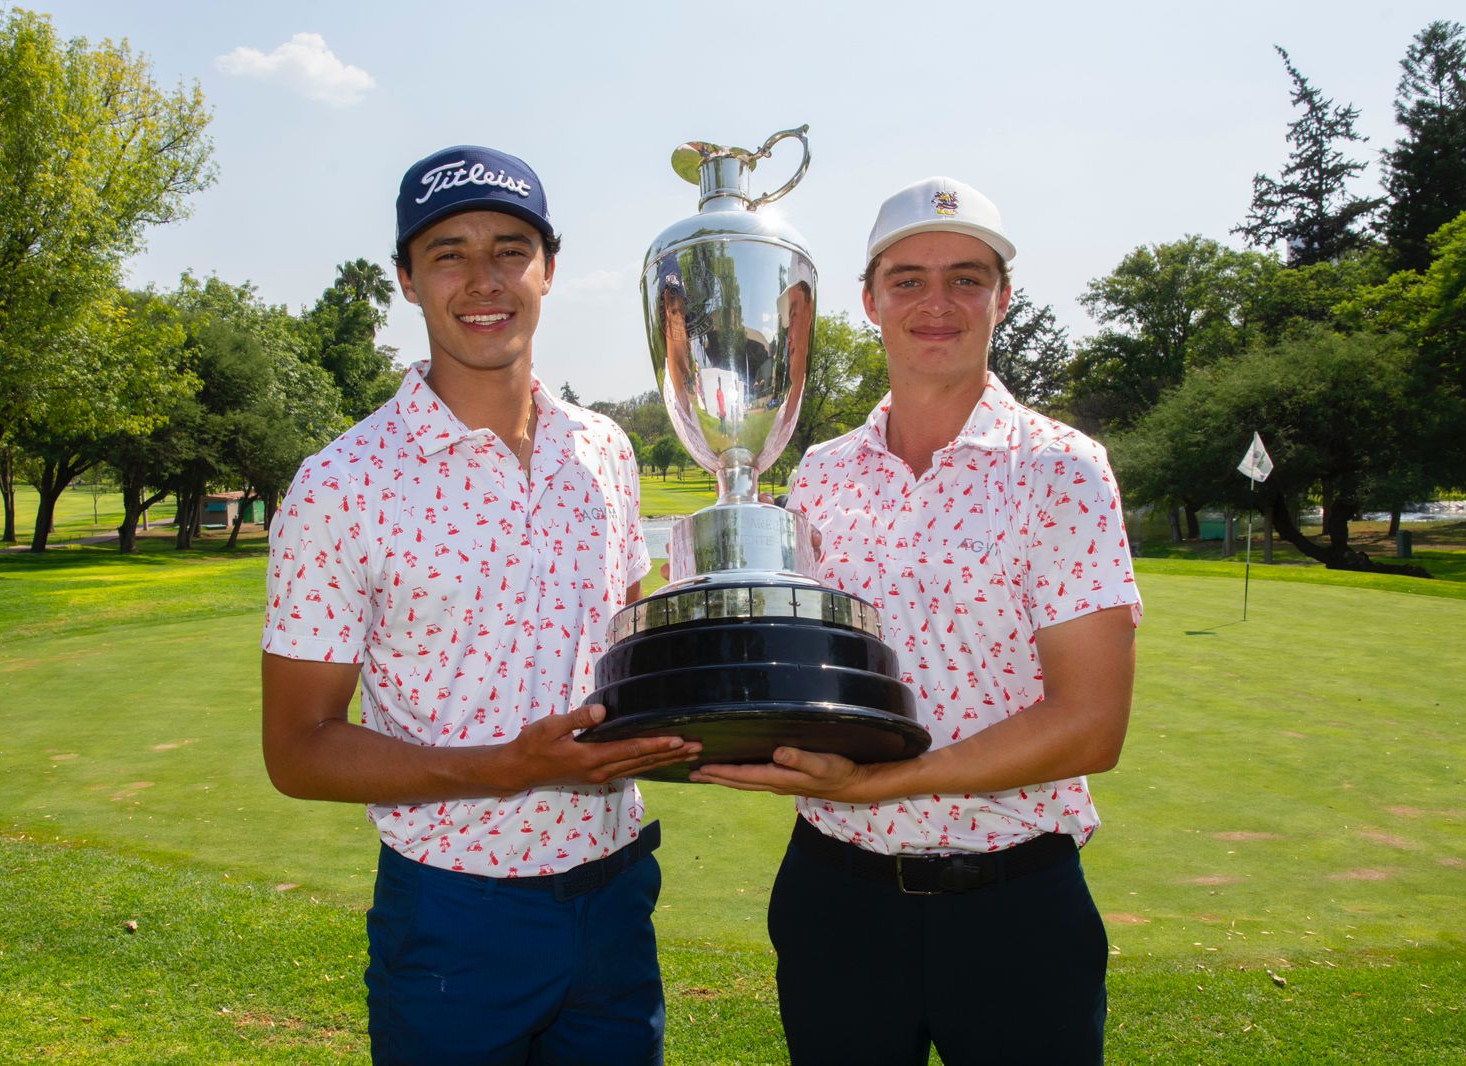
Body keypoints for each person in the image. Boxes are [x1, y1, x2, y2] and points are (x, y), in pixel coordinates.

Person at [260, 144, 699, 1066]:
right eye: (448, 253)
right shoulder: (340, 484)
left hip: (617, 892)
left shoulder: (606, 449)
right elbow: (297, 751)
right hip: (456, 912)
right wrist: (506, 766)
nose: (482, 279)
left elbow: (628, 654)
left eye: (509, 248)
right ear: (407, 281)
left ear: (550, 267)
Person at [693, 176, 1142, 1066]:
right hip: (836, 899)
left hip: (1014, 909)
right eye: (908, 280)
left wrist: (889, 784)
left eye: (966, 278)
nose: (937, 302)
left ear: (1001, 298)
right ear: (869, 300)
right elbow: (799, 670)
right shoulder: (820, 474)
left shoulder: (1063, 470)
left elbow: (1092, 726)